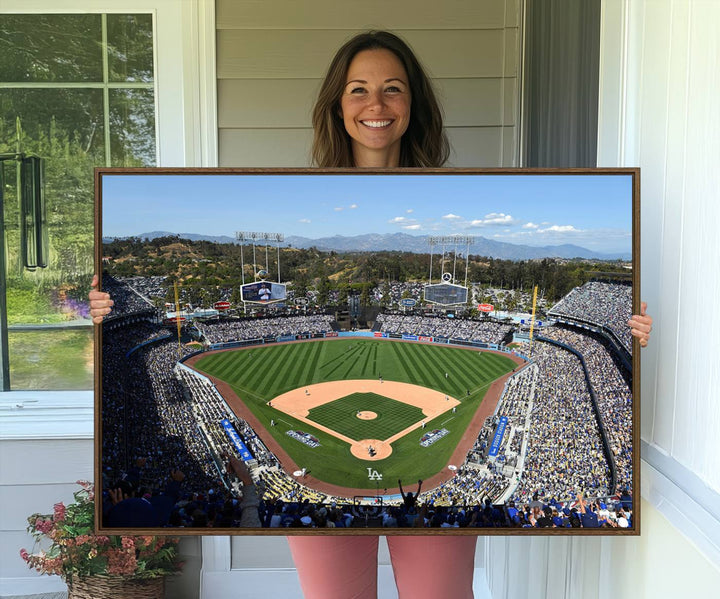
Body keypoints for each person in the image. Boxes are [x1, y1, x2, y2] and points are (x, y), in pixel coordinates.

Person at [89, 29, 653, 599]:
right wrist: (102, 313)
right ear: (338, 104)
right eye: (358, 89)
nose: (375, 105)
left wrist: (626, 334)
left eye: (393, 89)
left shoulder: (457, 190)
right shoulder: (301, 187)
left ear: (413, 104)